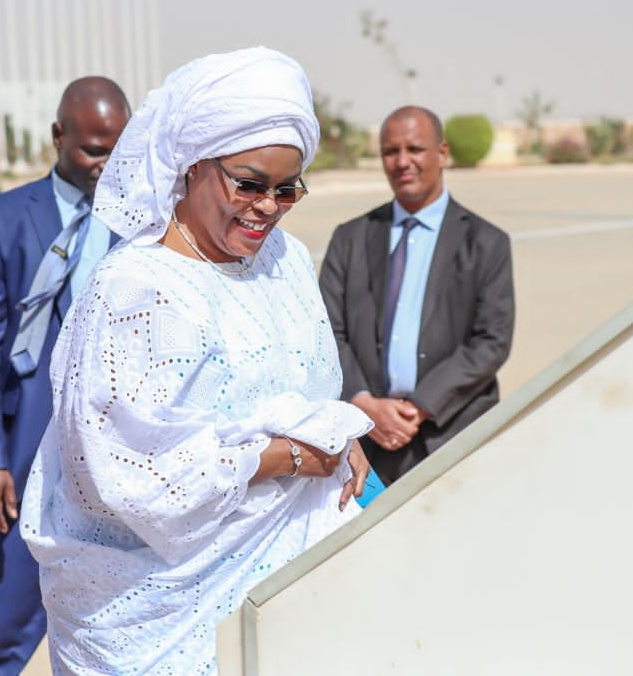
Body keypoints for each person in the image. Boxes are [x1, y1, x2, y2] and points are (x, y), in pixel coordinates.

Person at [20, 47, 373, 674]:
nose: (267, 207)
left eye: (288, 189)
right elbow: (120, 473)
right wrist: (291, 457)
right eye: (250, 184)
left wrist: (339, 438)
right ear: (191, 165)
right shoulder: (138, 289)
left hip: (288, 595)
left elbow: (314, 390)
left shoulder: (285, 262)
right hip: (158, 614)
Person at [0, 76, 131, 675]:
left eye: (119, 150)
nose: (108, 165)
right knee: (8, 621)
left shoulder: (145, 227)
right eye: (94, 150)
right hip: (23, 459)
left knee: (117, 624)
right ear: (59, 136)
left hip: (119, 461)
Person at [320, 106, 515, 487]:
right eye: (391, 151)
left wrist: (420, 407)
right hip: (364, 441)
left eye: (415, 149)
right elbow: (325, 331)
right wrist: (362, 401)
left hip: (452, 433)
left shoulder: (487, 243)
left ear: (442, 153)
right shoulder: (350, 238)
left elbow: (492, 340)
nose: (402, 162)